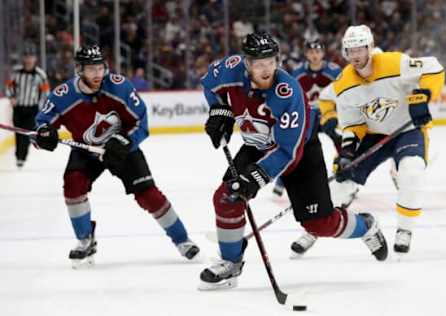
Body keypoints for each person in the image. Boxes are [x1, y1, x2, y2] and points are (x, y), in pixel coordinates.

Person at [198, 32, 389, 290]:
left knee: (320, 224)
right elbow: (209, 84)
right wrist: (219, 110)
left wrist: (254, 178)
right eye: (259, 64)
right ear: (246, 63)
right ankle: (231, 264)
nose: (266, 70)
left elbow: (288, 151)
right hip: (258, 144)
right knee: (226, 197)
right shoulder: (230, 70)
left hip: (299, 151)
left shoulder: (287, 92)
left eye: (271, 62)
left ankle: (366, 225)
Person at [33, 44, 200, 268]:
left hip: (122, 149)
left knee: (148, 194)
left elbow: (142, 122)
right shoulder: (63, 95)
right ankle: (85, 240)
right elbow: (40, 128)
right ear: (79, 70)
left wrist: (125, 141)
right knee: (73, 184)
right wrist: (43, 135)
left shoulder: (119, 87)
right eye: (91, 69)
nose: (97, 74)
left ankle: (183, 240)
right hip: (86, 150)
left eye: (100, 68)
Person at [291, 25, 445, 257]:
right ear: (345, 52)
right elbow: (353, 124)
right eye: (350, 51)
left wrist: (422, 96)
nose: (356, 56)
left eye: (360, 49)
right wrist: (346, 154)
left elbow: (433, 68)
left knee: (411, 171)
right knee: (341, 183)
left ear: (370, 48)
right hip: (373, 134)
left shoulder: (394, 62)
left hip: (407, 129)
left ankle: (405, 229)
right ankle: (315, 229)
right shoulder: (344, 83)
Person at [272, 37, 342, 197]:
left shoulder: (334, 71)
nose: (315, 55)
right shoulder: (298, 72)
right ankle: (282, 182)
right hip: (308, 114)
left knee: (340, 140)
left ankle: (346, 174)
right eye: (311, 52)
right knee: (298, 145)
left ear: (323, 53)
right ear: (306, 54)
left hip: (329, 113)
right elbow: (290, 96)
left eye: (317, 51)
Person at [5, 43, 50, 168]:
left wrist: (41, 108)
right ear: (23, 58)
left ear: (35, 58)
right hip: (18, 107)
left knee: (26, 132)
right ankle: (19, 156)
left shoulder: (40, 75)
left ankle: (21, 156)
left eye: (31, 57)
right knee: (18, 132)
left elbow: (46, 92)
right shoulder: (16, 72)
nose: (29, 59)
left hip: (32, 109)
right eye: (27, 56)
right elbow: (8, 85)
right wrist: (11, 97)